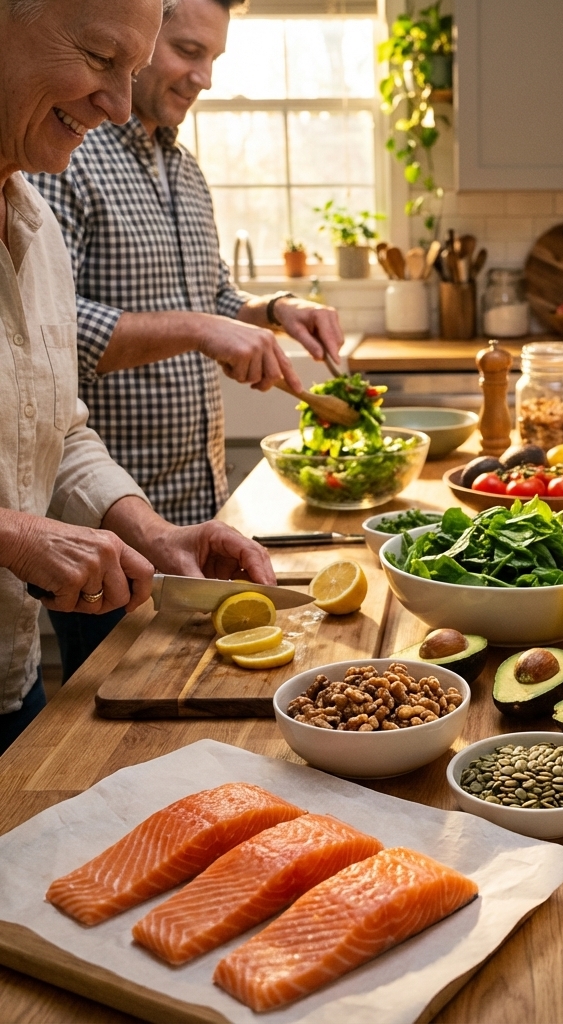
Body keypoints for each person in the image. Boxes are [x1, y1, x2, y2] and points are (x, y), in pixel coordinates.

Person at [29, 0, 345, 680]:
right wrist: (202, 330)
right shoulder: (65, 151)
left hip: (200, 510)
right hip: (106, 524)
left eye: (214, 59)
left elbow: (213, 296)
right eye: (188, 51)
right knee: (119, 720)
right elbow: (48, 330)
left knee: (203, 692)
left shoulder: (185, 170)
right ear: (142, 43)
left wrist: (273, 308)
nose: (203, 77)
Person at [0, 0, 277, 754]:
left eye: (131, 66)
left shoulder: (33, 224)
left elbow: (56, 431)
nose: (119, 102)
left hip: (9, 673)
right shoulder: (71, 167)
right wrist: (15, 533)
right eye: (98, 58)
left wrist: (155, 535)